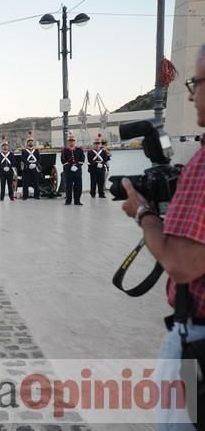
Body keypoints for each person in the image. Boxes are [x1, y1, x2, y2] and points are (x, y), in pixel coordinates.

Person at [121, 45, 205, 430]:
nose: (190, 94)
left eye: (196, 83)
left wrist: (143, 213)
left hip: (198, 342)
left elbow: (181, 264)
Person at [61, 133, 85, 205]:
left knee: (78, 186)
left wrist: (77, 166)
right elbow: (63, 160)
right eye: (70, 141)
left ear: (74, 142)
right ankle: (68, 200)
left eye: (73, 141)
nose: (71, 142)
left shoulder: (79, 150)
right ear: (68, 142)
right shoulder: (64, 150)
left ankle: (77, 201)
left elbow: (82, 159)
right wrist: (69, 166)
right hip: (68, 171)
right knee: (68, 187)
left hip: (77, 171)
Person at [87, 134, 109, 198]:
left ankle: (101, 193)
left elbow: (105, 159)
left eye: (98, 143)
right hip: (93, 169)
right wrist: (97, 164)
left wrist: (102, 164)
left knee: (101, 182)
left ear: (100, 144)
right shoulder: (90, 152)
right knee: (93, 182)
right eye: (96, 143)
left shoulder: (103, 152)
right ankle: (93, 193)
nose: (97, 145)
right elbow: (90, 160)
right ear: (93, 144)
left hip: (101, 169)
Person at [21, 134, 41, 200]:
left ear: (33, 142)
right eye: (29, 141)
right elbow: (23, 159)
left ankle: (37, 195)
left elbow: (39, 159)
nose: (30, 142)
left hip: (35, 168)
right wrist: (29, 164)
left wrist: (35, 164)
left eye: (31, 141)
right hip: (27, 168)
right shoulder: (24, 151)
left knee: (36, 182)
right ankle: (25, 196)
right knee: (25, 183)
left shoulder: (36, 150)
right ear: (27, 143)